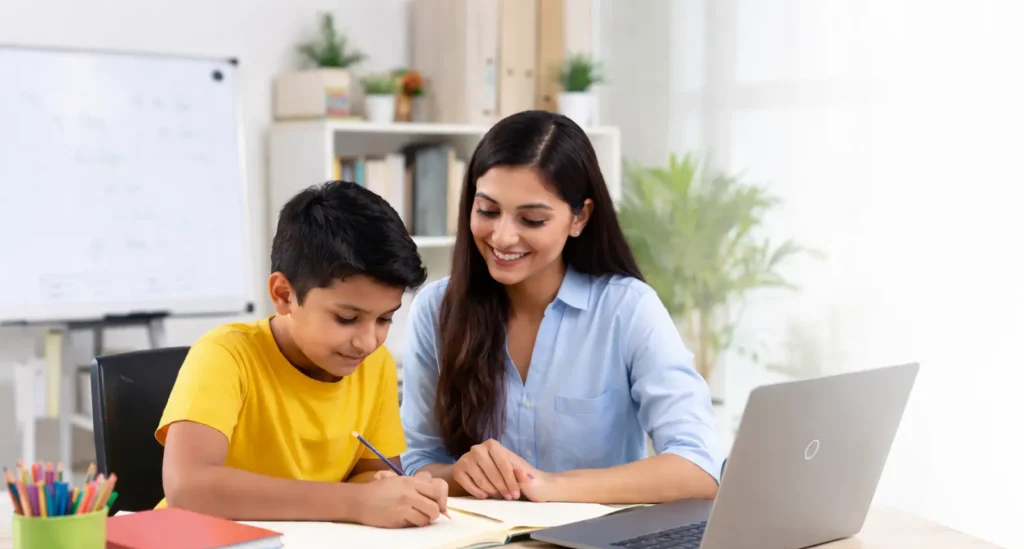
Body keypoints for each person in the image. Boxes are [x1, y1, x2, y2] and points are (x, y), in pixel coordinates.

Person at [399, 110, 723, 504]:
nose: (502, 236)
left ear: (580, 217)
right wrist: (456, 475)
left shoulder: (628, 310)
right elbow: (418, 460)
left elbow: (699, 465)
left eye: (531, 219)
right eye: (487, 211)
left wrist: (550, 486)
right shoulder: (436, 310)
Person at [158, 181, 448, 528]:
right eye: (347, 318)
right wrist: (355, 502)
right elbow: (188, 488)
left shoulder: (374, 365)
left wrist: (394, 492)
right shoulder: (226, 355)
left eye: (385, 318)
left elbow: (370, 473)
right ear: (283, 295)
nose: (368, 342)